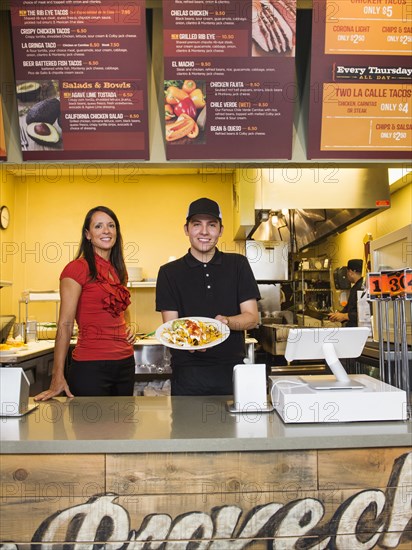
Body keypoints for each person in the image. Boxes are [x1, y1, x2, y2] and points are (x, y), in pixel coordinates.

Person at [156, 197, 260, 396]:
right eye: (197, 225)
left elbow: (252, 318)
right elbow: (172, 325)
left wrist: (225, 322)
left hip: (231, 372)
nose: (204, 232)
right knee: (187, 427)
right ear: (186, 229)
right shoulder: (169, 272)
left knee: (233, 427)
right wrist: (193, 341)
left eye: (211, 225)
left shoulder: (238, 265)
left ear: (220, 230)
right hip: (187, 374)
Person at [34, 206, 136, 400]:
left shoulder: (117, 270)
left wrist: (128, 326)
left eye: (111, 226)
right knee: (90, 430)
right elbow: (65, 324)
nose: (106, 231)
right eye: (99, 226)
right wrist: (57, 375)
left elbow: (123, 308)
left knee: (123, 429)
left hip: (125, 363)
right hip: (91, 366)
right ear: (88, 234)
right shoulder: (76, 269)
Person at [328, 259, 364, 327]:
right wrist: (337, 315)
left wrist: (344, 316)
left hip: (358, 329)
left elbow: (364, 313)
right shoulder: (354, 287)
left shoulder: (362, 288)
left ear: (350, 272)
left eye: (347, 272)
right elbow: (349, 308)